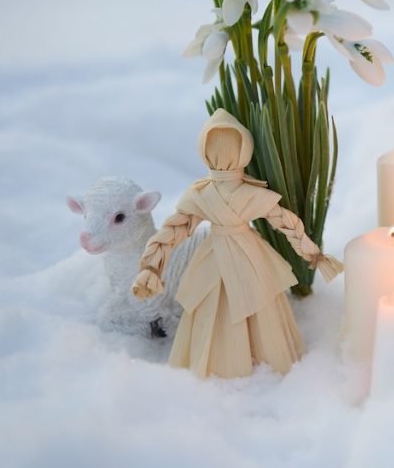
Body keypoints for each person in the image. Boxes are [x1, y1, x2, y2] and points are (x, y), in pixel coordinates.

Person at [131, 109, 342, 378]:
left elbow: (175, 229)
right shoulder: (250, 194)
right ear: (246, 151)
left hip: (215, 255)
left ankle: (217, 359)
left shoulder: (201, 194)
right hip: (248, 255)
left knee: (212, 304)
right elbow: (285, 222)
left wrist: (151, 266)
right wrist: (314, 255)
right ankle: (263, 357)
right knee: (256, 299)